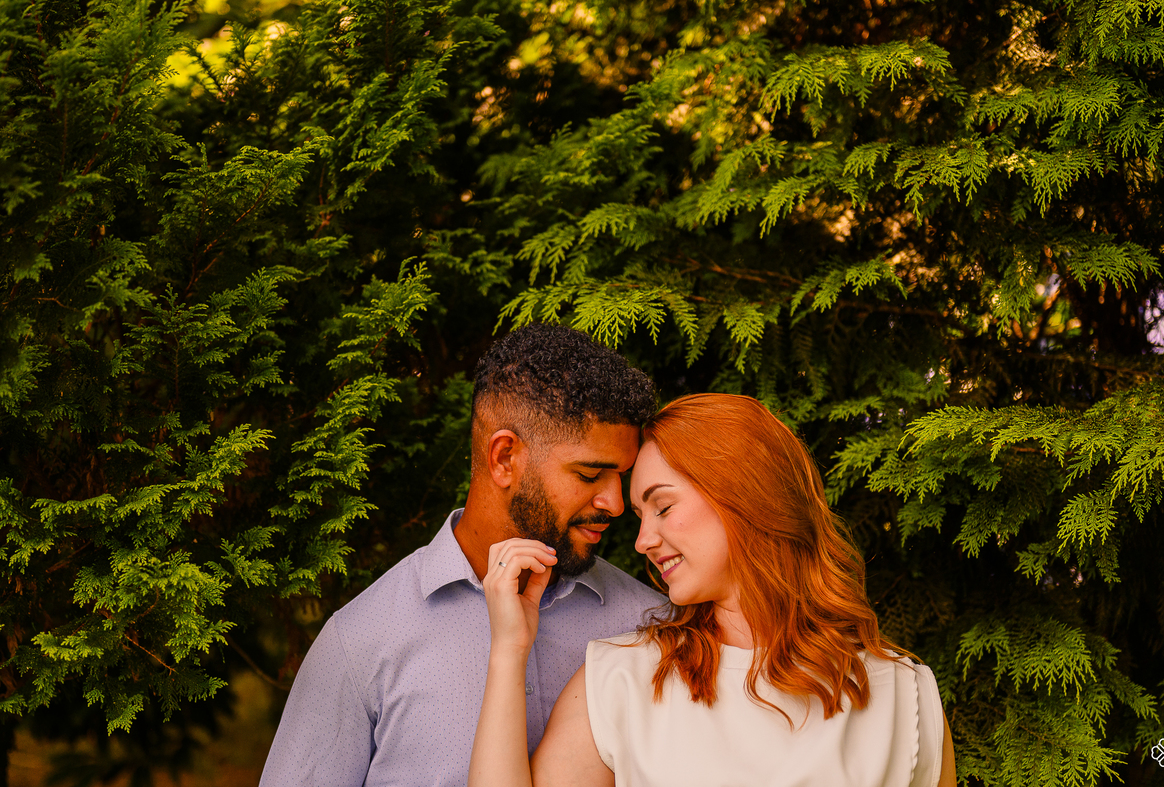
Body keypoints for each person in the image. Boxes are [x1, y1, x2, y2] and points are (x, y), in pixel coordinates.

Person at [470, 393, 956, 787]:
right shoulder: (622, 681)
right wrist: (508, 650)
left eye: (662, 507)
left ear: (745, 495)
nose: (642, 541)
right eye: (641, 517)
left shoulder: (906, 696)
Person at [259, 324, 665, 787]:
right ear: (505, 458)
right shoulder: (362, 642)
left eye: (622, 477)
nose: (615, 503)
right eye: (591, 475)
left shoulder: (654, 626)